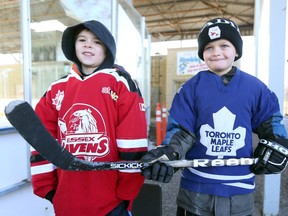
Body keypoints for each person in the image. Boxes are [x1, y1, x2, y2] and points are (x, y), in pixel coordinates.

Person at [141, 18, 288, 216]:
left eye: (224, 45)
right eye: (209, 48)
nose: (216, 52)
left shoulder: (255, 88)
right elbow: (181, 131)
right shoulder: (190, 89)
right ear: (202, 54)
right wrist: (169, 153)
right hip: (195, 191)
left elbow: (271, 122)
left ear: (236, 50)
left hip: (240, 193)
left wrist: (278, 144)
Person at [30, 20, 148, 216]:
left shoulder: (121, 83)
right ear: (73, 45)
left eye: (97, 42)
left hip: (111, 198)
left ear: (107, 49)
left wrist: (126, 191)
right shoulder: (56, 89)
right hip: (67, 197)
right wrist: (48, 188)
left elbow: (132, 139)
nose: (87, 45)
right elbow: (42, 140)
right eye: (82, 40)